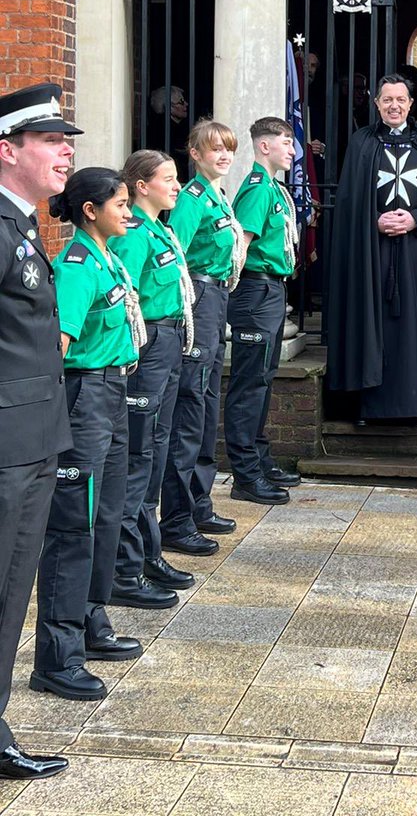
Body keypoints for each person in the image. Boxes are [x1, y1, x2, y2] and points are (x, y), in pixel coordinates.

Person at [31, 169, 144, 702]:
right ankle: (57, 657)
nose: (130, 211)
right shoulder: (76, 266)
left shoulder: (109, 256)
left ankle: (91, 619)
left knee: (109, 512)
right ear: (91, 211)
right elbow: (58, 344)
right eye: (121, 204)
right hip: (83, 397)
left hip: (113, 390)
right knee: (74, 524)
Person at [0, 82, 79, 780]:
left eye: (66, 141)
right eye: (51, 141)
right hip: (5, 449)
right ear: (8, 150)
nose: (65, 153)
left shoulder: (23, 222)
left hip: (31, 441)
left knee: (8, 594)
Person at [327, 74, 417, 426]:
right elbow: (351, 200)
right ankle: (372, 405)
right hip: (374, 250)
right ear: (377, 104)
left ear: (411, 103)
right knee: (373, 322)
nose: (394, 106)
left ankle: (412, 406)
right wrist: (375, 222)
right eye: (387, 100)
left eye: (401, 99)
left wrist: (416, 219)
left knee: (415, 324)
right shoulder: (362, 143)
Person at [108, 150, 193, 610]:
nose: (176, 185)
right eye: (168, 178)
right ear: (141, 185)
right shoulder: (135, 234)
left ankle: (147, 551)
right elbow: (127, 299)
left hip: (171, 337)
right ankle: (125, 565)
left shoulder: (161, 228)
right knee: (138, 456)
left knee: (156, 451)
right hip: (150, 343)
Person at [160, 120, 244, 555]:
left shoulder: (219, 196)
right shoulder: (192, 200)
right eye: (215, 149)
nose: (224, 156)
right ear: (194, 154)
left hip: (216, 297)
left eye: (229, 148)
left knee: (207, 404)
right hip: (198, 296)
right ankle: (176, 518)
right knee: (191, 407)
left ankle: (199, 502)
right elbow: (176, 257)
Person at [223, 116, 299, 505]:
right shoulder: (257, 189)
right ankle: (245, 474)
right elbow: (242, 243)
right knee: (250, 382)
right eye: (286, 143)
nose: (293, 150)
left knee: (263, 378)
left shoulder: (272, 188)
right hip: (255, 288)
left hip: (270, 289)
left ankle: (260, 458)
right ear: (265, 146)